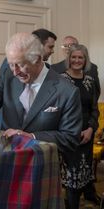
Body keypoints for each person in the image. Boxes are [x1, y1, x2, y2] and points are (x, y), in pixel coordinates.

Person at [0, 32, 82, 157]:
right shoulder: (8, 75)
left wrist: (31, 137)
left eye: (20, 65)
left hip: (39, 165)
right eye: (11, 64)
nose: (15, 72)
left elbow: (70, 138)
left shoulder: (67, 91)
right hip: (2, 157)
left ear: (37, 59)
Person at [59, 44, 100, 208]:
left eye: (80, 57)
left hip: (87, 133)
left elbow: (95, 110)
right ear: (68, 59)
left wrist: (90, 129)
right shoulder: (60, 79)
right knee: (71, 174)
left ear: (85, 60)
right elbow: (57, 110)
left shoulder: (90, 80)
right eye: (73, 57)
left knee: (85, 170)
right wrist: (71, 131)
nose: (77, 60)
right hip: (68, 133)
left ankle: (87, 197)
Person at [0, 28, 57, 129]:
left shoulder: (55, 78)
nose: (15, 72)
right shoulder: (11, 67)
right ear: (38, 46)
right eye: (50, 47)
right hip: (6, 131)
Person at [51, 35, 100, 100]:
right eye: (65, 46)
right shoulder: (54, 68)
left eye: (71, 45)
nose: (67, 48)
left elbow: (96, 93)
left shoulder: (92, 68)